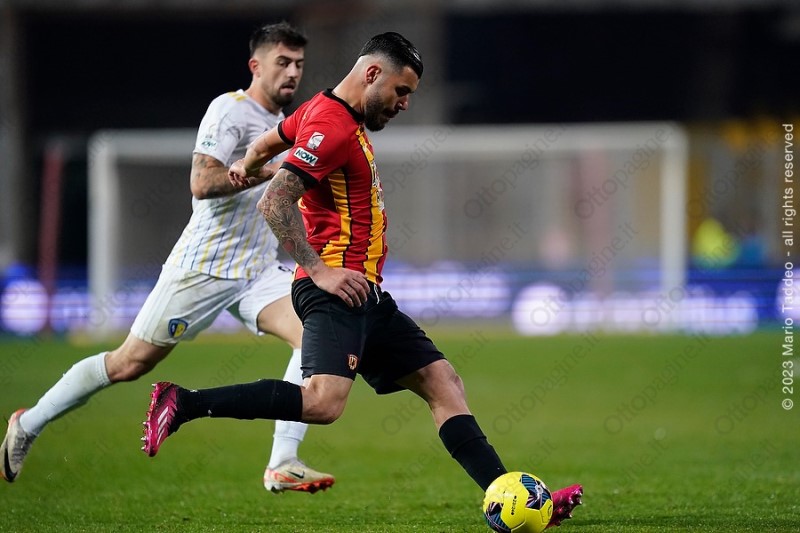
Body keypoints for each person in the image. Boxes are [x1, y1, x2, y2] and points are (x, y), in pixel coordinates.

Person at [142, 32, 582, 526]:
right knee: (323, 403)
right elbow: (275, 202)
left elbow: (273, 138)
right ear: (372, 74)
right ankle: (183, 403)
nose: (404, 103)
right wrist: (320, 270)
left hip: (365, 294)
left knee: (442, 381)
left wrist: (250, 162)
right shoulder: (331, 126)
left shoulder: (319, 110)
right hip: (334, 290)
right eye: (400, 90)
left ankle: (513, 498)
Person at [1, 21, 335, 494]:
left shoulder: (286, 124)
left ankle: (283, 462)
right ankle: (29, 423)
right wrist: (269, 169)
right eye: (283, 62)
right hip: (202, 267)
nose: (293, 72)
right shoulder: (230, 110)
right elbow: (202, 182)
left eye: (298, 64)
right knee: (129, 363)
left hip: (257, 270)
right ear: (255, 66)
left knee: (314, 337)